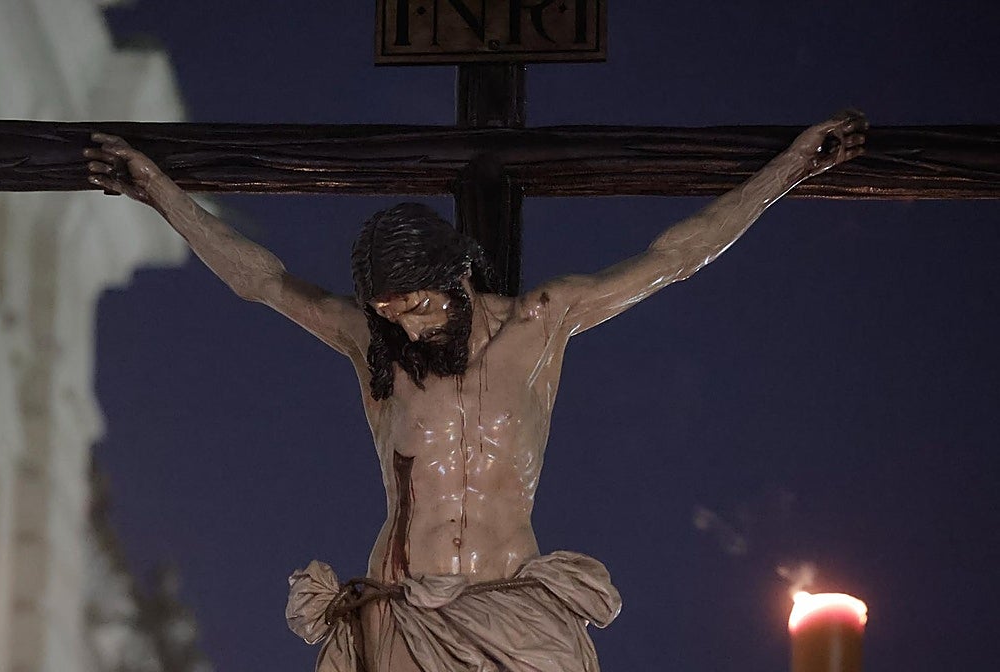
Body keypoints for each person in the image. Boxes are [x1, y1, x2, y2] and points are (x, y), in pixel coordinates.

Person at [84, 111, 867, 671]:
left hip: (515, 611)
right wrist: (162, 195)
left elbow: (676, 256)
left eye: (419, 307)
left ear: (457, 276)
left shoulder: (543, 322)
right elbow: (260, 280)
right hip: (402, 615)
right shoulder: (374, 346)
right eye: (390, 313)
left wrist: (788, 170)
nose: (407, 326)